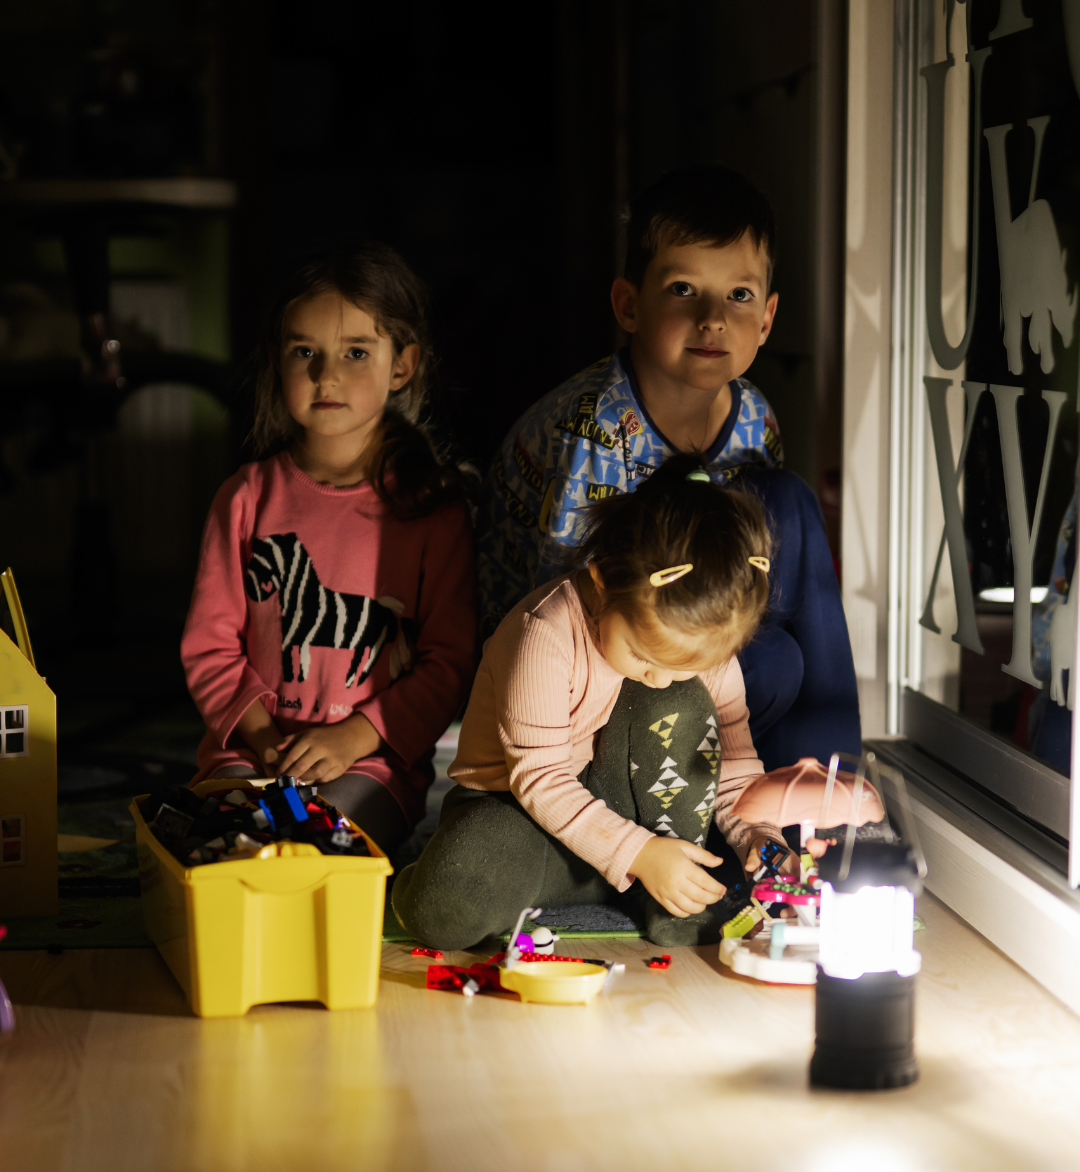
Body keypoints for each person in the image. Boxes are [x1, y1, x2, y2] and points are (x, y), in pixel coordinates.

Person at [475, 163, 860, 770]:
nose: (713, 317)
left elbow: (750, 579)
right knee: (765, 665)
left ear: (766, 319)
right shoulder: (596, 430)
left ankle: (821, 785)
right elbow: (562, 617)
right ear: (629, 306)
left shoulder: (754, 416)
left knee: (783, 543)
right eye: (683, 289)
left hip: (682, 636)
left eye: (739, 295)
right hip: (577, 678)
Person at [392, 457, 793, 951]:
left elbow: (731, 763)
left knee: (683, 704)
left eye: (685, 666)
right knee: (444, 908)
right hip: (517, 815)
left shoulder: (702, 636)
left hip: (629, 811)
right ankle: (636, 875)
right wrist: (639, 854)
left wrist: (759, 833)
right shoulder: (543, 634)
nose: (661, 677)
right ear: (603, 581)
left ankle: (664, 889)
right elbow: (539, 779)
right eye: (643, 656)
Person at [181, 242, 476, 857]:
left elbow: (448, 662)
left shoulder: (432, 509)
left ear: (403, 366)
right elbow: (210, 647)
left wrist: (354, 737)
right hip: (250, 752)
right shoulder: (244, 499)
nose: (327, 375)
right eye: (305, 352)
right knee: (227, 839)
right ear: (277, 361)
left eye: (356, 352)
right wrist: (264, 742)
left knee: (326, 842)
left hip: (371, 766)